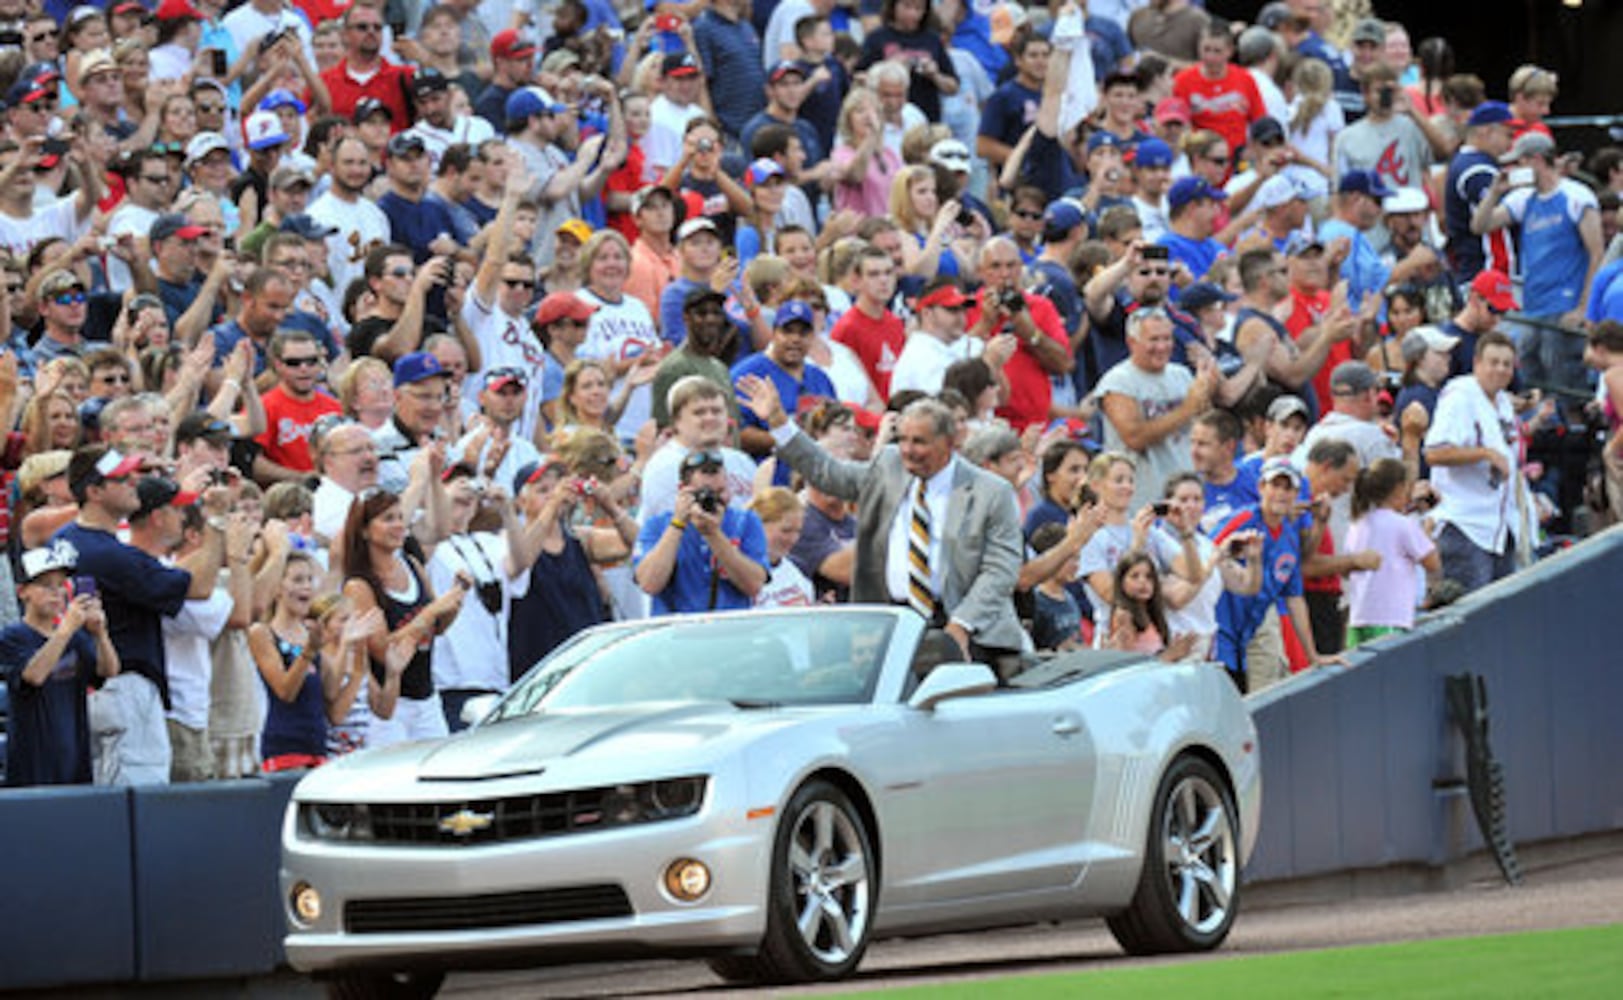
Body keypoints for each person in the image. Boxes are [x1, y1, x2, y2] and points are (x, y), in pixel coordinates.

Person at [742, 381, 1024, 669]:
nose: (907, 450)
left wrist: (961, 625)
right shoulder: (890, 466)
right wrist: (778, 422)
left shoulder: (991, 491)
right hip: (895, 624)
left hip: (966, 627)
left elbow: (1001, 569)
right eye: (902, 439)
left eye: (919, 442)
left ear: (949, 442)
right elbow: (829, 474)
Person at [57, 447, 229, 785]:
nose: (134, 483)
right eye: (122, 478)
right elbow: (198, 586)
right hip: (123, 688)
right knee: (138, 803)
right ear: (94, 492)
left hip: (82, 688)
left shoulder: (65, 538)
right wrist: (217, 521)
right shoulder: (111, 555)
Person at [1471, 131, 1604, 397]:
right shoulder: (1523, 199)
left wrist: (1583, 308)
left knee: (1563, 377)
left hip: (1565, 302)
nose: (1516, 170)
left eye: (1520, 163)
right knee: (1531, 375)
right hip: (1532, 305)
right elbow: (1480, 225)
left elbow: (1597, 254)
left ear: (1537, 160)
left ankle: (1572, 430)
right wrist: (1495, 192)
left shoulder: (1576, 197)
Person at [339, 489, 473, 746]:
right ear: (365, 530)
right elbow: (382, 649)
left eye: (401, 517)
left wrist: (456, 600)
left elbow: (437, 629)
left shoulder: (412, 565)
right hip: (390, 706)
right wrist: (431, 611)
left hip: (427, 699)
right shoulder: (359, 586)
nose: (399, 525)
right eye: (388, 518)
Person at [1212, 457, 1341, 693]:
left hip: (1256, 624)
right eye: (1275, 485)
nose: (1281, 493)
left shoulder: (1290, 536)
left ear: (1296, 493)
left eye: (1288, 488)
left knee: (1265, 698)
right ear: (1261, 487)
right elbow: (1207, 553)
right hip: (1222, 626)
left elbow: (1295, 597)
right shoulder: (1243, 519)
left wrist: (1312, 655)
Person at [2, 543, 120, 787]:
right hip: (32, 765)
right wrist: (65, 629)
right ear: (23, 592)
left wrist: (100, 634)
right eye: (46, 586)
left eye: (61, 585)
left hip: (74, 760)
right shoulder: (13, 636)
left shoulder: (74, 638)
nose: (57, 593)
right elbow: (33, 676)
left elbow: (108, 671)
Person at [1423, 330, 1527, 593]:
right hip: (1465, 525)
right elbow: (1435, 452)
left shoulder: (1502, 401)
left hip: (1499, 527)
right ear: (1477, 363)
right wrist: (1485, 454)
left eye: (1506, 364)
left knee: (1499, 615)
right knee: (1472, 615)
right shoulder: (1460, 395)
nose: (1501, 370)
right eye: (1494, 362)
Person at [1096, 306, 1215, 512]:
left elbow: (1201, 425)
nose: (1162, 347)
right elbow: (1134, 437)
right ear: (1132, 342)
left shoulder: (1181, 374)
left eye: (1167, 339)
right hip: (1142, 500)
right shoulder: (1119, 381)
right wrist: (1187, 409)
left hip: (1184, 495)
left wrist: (1207, 395)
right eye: (1153, 340)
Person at [633, 448, 769, 615]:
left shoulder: (746, 522)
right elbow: (649, 584)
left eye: (721, 491)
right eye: (706, 493)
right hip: (676, 633)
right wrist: (677, 524)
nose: (714, 500)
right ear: (683, 489)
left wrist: (714, 535)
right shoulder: (658, 525)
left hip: (730, 632)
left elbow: (754, 586)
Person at [1344, 457, 1441, 647]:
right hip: (1391, 617)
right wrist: (1427, 531)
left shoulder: (1357, 524)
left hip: (1358, 618)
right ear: (1399, 489)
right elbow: (1432, 562)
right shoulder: (1403, 525)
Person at [1102, 551, 1197, 660]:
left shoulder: (1151, 613)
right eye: (1134, 576)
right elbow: (1126, 665)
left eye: (1148, 577)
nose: (1142, 582)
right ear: (1121, 582)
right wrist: (1171, 654)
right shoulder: (1124, 615)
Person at [749, 487, 815, 608]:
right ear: (759, 524)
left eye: (798, 531)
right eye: (786, 531)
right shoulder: (739, 572)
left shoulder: (800, 569)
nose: (793, 539)